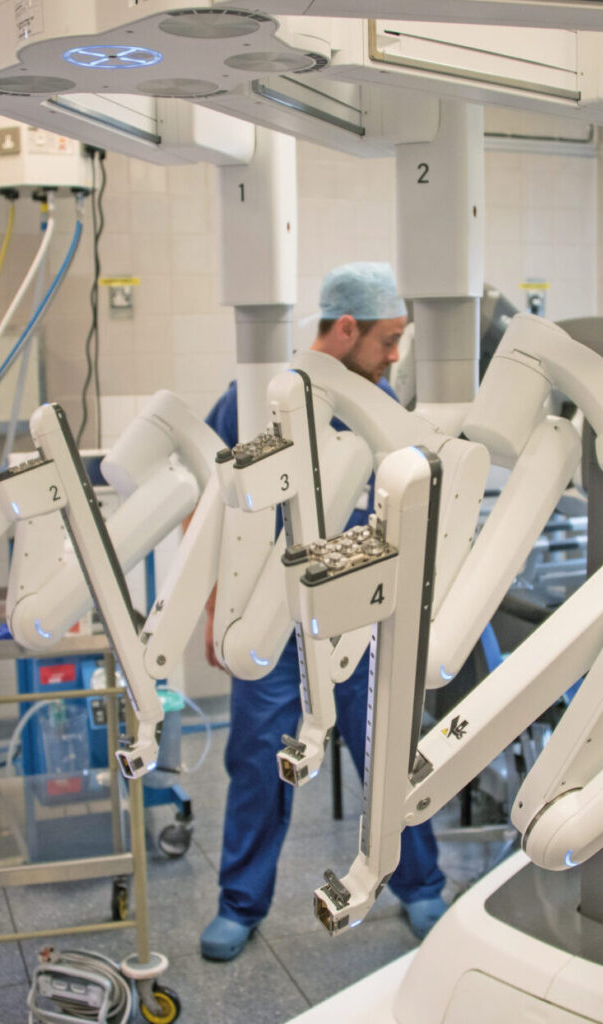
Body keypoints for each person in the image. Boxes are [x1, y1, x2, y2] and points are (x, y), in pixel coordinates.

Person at [200, 263, 448, 962]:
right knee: (257, 760)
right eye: (389, 339)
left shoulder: (380, 400)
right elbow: (217, 512)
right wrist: (218, 607)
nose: (395, 354)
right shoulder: (254, 401)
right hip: (275, 621)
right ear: (346, 329)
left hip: (364, 618)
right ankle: (239, 905)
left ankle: (421, 884)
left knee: (390, 753)